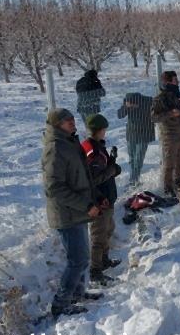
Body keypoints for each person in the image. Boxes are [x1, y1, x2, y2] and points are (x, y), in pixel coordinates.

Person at [42, 108, 101, 317]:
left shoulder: (69, 141)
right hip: (67, 213)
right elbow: (54, 187)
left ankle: (77, 293)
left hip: (76, 209)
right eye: (68, 121)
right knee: (77, 260)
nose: (73, 123)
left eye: (73, 119)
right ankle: (61, 303)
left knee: (81, 257)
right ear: (57, 124)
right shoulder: (55, 148)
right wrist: (84, 205)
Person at [81, 114, 122, 286]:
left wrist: (111, 163)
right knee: (99, 235)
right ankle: (95, 270)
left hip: (106, 197)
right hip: (100, 199)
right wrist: (112, 170)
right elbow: (93, 179)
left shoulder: (96, 146)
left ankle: (104, 260)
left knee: (109, 229)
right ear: (100, 130)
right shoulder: (93, 151)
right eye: (104, 129)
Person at [116, 92, 155, 187]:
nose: (132, 107)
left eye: (133, 105)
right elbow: (120, 115)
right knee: (132, 158)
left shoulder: (148, 101)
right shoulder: (128, 102)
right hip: (132, 134)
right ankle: (135, 178)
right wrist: (126, 107)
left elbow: (158, 111)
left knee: (138, 159)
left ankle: (133, 180)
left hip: (144, 134)